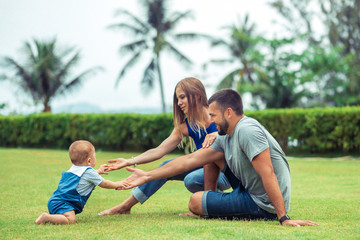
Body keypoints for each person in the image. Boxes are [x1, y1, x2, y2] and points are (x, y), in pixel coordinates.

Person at [119, 89, 318, 227]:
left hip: (261, 203)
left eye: (213, 116)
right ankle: (213, 200)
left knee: (195, 202)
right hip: (247, 190)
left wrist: (283, 217)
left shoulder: (247, 130)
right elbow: (189, 160)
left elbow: (269, 174)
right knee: (204, 176)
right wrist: (147, 175)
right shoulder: (225, 136)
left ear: (229, 113)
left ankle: (213, 203)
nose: (211, 121)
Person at [98, 77, 231, 216]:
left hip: (226, 172)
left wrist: (218, 135)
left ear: (197, 95)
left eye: (182, 97)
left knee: (192, 180)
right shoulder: (185, 126)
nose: (179, 103)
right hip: (204, 167)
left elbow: (236, 131)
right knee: (165, 166)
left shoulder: (218, 115)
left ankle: (208, 204)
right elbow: (159, 150)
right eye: (177, 99)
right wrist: (130, 161)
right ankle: (124, 207)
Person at [35, 140, 126, 225]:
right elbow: (104, 183)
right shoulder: (89, 172)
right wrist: (118, 184)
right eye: (94, 156)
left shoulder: (74, 168)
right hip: (64, 203)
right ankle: (47, 218)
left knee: (66, 216)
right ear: (89, 160)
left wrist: (98, 171)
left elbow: (84, 177)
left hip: (55, 201)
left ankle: (51, 217)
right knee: (70, 219)